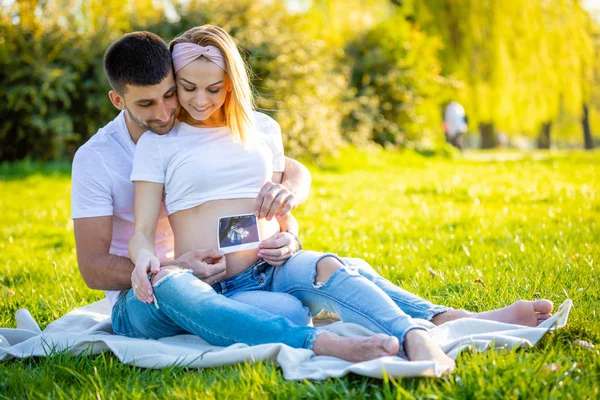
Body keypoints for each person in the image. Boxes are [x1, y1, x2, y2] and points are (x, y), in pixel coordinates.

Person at [126, 26, 554, 370]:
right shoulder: (160, 144)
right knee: (175, 287)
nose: (201, 100)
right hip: (212, 287)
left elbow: (282, 215)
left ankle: (418, 336)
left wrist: (290, 238)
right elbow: (142, 233)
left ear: (232, 84)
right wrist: (147, 261)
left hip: (268, 268)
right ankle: (326, 342)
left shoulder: (262, 131)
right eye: (188, 88)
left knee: (328, 263)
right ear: (175, 84)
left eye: (214, 89)